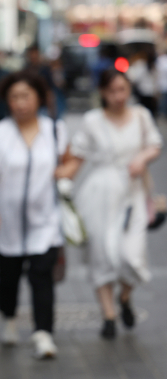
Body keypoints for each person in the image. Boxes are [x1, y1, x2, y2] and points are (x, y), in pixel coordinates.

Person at [56, 69, 162, 339]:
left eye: (122, 90)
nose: (118, 96)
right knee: (102, 254)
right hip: (99, 195)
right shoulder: (92, 121)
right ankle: (109, 315)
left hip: (133, 194)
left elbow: (155, 144)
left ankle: (125, 297)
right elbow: (76, 159)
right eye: (112, 91)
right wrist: (53, 176)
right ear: (103, 92)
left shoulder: (140, 116)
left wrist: (141, 159)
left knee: (131, 255)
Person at [0, 71, 66, 359]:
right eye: (14, 97)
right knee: (8, 275)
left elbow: (72, 161)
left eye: (26, 96)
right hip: (7, 221)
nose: (20, 103)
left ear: (39, 98)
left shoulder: (55, 130)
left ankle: (43, 334)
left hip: (46, 220)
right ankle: (9, 317)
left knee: (42, 276)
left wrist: (65, 175)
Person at [126, 50, 159, 117]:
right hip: (150, 92)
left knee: (144, 111)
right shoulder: (153, 66)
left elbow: (136, 78)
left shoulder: (142, 65)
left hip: (143, 91)